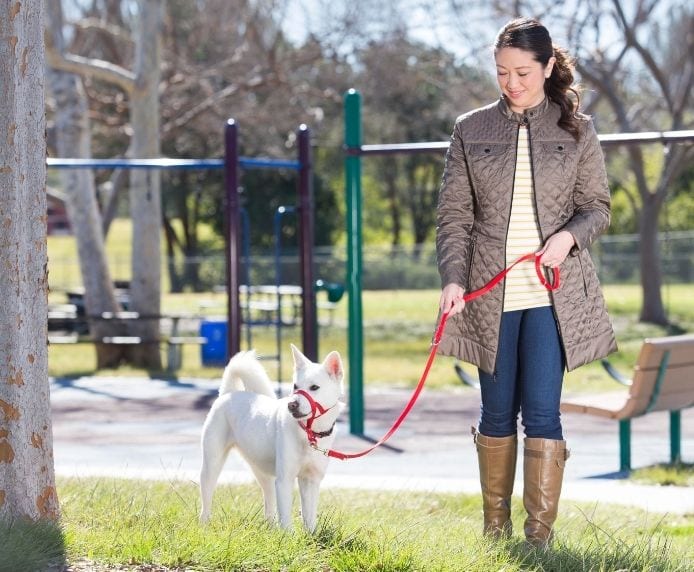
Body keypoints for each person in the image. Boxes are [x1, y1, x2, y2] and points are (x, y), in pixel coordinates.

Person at [435, 17, 617, 547]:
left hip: (551, 296)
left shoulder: (576, 128)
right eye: (501, 72)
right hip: (490, 297)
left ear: (547, 68)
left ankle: (539, 538)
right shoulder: (470, 129)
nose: (511, 82)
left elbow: (597, 208)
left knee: (541, 410)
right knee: (495, 410)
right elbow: (453, 218)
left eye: (521, 72)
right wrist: (452, 279)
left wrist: (565, 240)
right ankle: (496, 531)